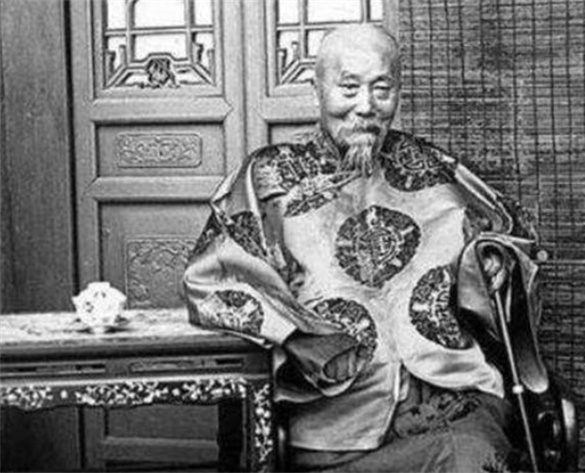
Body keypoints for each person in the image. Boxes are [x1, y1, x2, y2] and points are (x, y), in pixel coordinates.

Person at [183, 24, 540, 472]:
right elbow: (211, 276)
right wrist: (294, 333)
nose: (366, 106)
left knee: (473, 457)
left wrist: (490, 261)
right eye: (349, 88)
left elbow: (509, 233)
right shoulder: (269, 178)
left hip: (447, 397)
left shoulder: (432, 168)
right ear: (317, 89)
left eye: (382, 89)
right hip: (335, 416)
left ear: (399, 92)